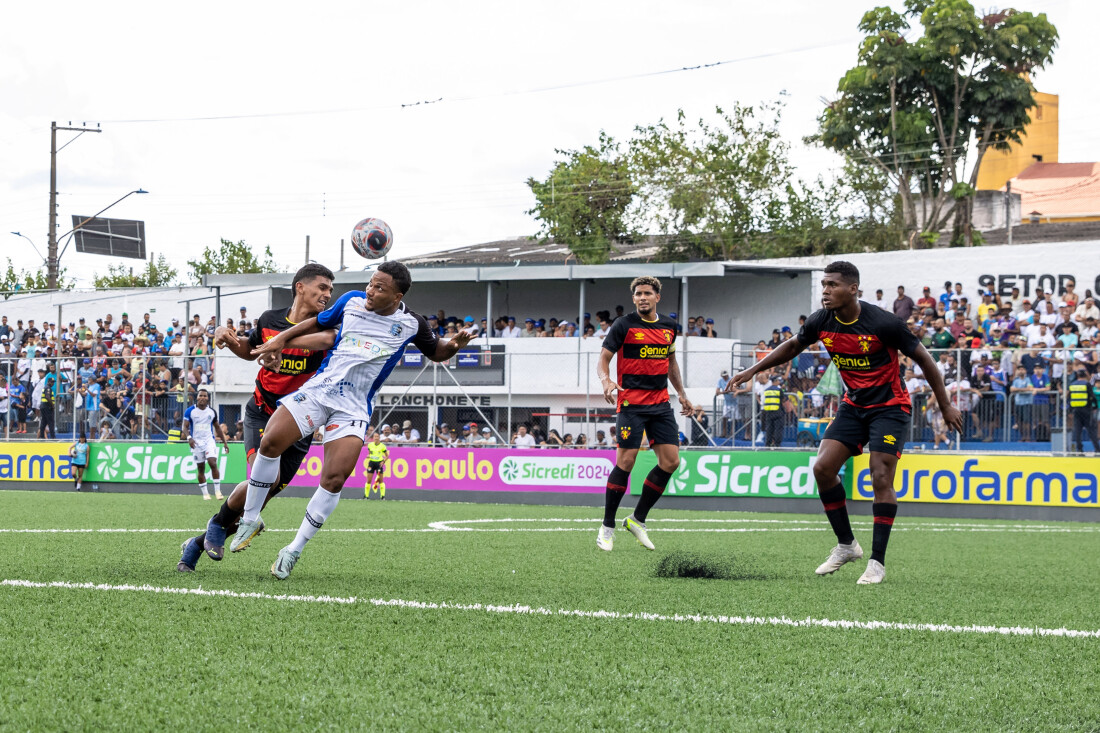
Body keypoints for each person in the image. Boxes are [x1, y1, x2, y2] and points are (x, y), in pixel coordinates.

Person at [234, 261, 474, 579]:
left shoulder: (412, 323)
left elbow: (438, 352)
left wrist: (454, 346)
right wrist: (281, 339)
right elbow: (316, 324)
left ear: (397, 295)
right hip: (320, 391)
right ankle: (250, 518)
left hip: (353, 407)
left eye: (379, 288)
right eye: (371, 283)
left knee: (334, 479)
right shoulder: (351, 301)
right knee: (270, 442)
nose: (371, 291)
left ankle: (293, 550)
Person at [725, 261, 961, 585]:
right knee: (822, 469)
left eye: (832, 285)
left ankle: (877, 563)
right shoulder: (821, 320)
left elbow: (925, 360)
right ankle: (847, 545)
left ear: (853, 289)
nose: (825, 291)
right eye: (823, 285)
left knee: (880, 475)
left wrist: (946, 405)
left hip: (890, 407)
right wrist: (752, 370)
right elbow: (794, 345)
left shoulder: (883, 322)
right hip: (854, 405)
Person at [178, 264, 337, 572]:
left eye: (330, 289)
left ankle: (201, 541)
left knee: (258, 499)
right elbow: (248, 350)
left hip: (302, 423)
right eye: (322, 287)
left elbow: (329, 340)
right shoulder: (269, 320)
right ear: (300, 287)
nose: (327, 294)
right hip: (263, 412)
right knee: (266, 481)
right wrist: (226, 335)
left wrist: (283, 344)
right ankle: (212, 531)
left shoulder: (323, 327)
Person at [596, 276, 694, 552]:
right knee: (626, 461)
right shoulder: (623, 324)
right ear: (634, 298)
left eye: (647, 293)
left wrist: (682, 394)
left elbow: (671, 362)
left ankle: (637, 519)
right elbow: (603, 358)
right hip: (631, 404)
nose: (642, 297)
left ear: (657, 298)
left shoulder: (669, 327)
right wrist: (605, 380)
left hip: (661, 404)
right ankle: (607, 527)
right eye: (638, 294)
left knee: (671, 462)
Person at [182, 389, 231, 501]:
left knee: (212, 463)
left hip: (209, 441)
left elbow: (217, 427)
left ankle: (218, 491)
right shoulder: (190, 411)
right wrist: (189, 438)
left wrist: (225, 443)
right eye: (200, 395)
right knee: (201, 468)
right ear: (197, 397)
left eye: (205, 395)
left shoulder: (212, 412)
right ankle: (205, 493)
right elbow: (184, 427)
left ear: (208, 398)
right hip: (196, 443)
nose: (203, 397)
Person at [1068, 369, 1099, 454]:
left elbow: (1069, 398)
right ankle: (1097, 448)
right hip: (1086, 410)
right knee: (1091, 429)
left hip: (1076, 410)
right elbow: (1092, 396)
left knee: (1077, 430)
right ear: (1085, 375)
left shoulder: (1072, 385)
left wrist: (1070, 410)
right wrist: (1095, 406)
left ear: (1077, 375)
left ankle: (1079, 449)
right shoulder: (1087, 384)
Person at [364, 432, 389, 499]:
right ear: (373, 438)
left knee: (380, 480)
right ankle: (366, 496)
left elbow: (387, 456)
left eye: (377, 436)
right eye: (375, 436)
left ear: (379, 438)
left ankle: (382, 496)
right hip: (371, 463)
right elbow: (370, 453)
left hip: (379, 464)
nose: (376, 438)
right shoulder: (370, 445)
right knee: (369, 480)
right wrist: (369, 456)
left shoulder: (382, 446)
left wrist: (383, 461)